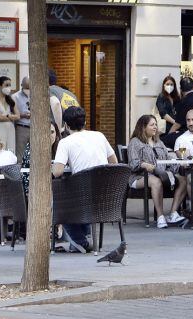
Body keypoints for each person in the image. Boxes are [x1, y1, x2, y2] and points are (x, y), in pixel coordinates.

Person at [53, 106, 117, 253]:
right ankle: (86, 236)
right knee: (79, 194)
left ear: (66, 126)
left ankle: (81, 241)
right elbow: (114, 163)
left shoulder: (66, 142)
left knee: (59, 203)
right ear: (85, 122)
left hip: (84, 199)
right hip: (108, 196)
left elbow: (57, 172)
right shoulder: (99, 136)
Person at [127, 115, 183, 228]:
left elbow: (167, 160)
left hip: (162, 175)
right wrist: (144, 165)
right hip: (139, 177)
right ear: (143, 127)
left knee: (183, 180)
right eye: (152, 125)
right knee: (155, 182)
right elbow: (133, 164)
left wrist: (179, 163)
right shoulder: (135, 142)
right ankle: (160, 217)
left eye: (156, 125)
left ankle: (173, 213)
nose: (155, 127)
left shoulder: (159, 142)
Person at [0, 76, 20, 154]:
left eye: (9, 85)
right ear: (0, 86)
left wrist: (7, 117)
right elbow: (0, 117)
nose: (8, 87)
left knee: (10, 151)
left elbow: (18, 116)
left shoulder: (11, 99)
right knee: (0, 150)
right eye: (6, 85)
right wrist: (10, 116)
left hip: (10, 128)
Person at [48, 69, 80, 133]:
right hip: (76, 131)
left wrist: (58, 131)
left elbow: (55, 103)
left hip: (63, 132)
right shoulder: (70, 94)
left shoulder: (49, 90)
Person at [155, 75, 181, 143]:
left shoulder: (177, 98)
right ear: (164, 85)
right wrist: (175, 123)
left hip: (176, 128)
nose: (169, 86)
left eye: (171, 84)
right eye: (167, 84)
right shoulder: (161, 97)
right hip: (165, 127)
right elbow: (163, 113)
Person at [12, 76, 32, 160]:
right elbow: (12, 114)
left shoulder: (36, 95)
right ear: (21, 85)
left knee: (36, 154)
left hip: (34, 128)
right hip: (21, 127)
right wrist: (23, 115)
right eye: (26, 87)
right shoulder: (15, 97)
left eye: (29, 87)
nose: (27, 90)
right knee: (19, 154)